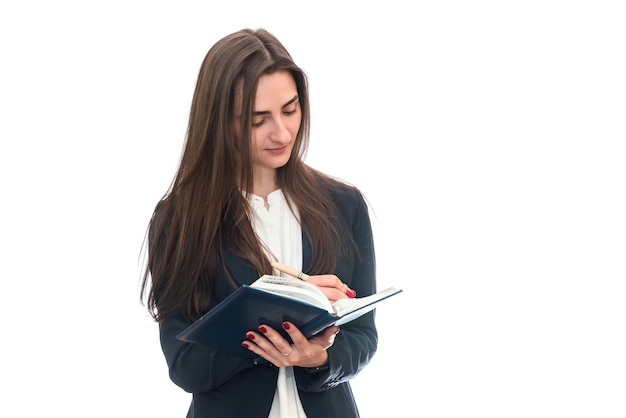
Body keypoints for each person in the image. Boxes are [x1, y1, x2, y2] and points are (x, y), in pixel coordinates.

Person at [140, 28, 378, 418]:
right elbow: (185, 365)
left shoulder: (344, 205)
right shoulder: (179, 220)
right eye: (257, 120)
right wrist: (283, 318)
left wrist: (317, 359)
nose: (282, 132)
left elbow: (363, 338)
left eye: (290, 109)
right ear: (219, 121)